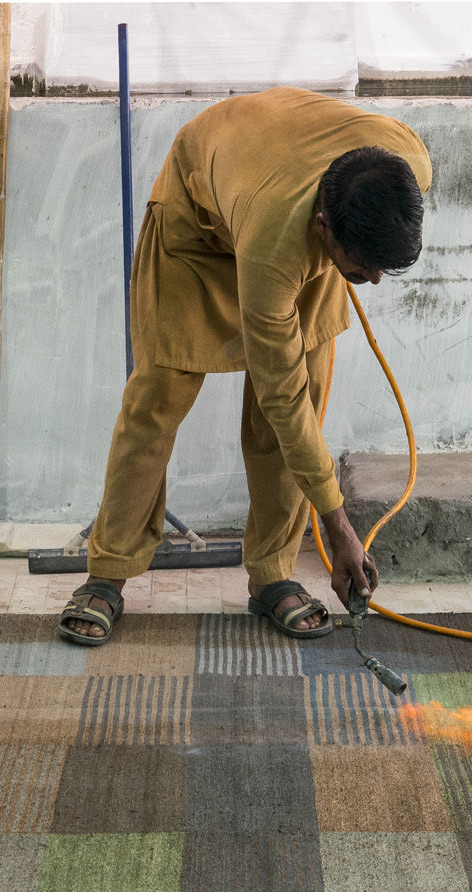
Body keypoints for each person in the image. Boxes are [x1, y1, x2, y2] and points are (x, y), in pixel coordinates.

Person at [57, 86, 432, 646]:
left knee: (299, 399)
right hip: (199, 228)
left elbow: (292, 403)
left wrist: (355, 261)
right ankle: (106, 572)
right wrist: (339, 526)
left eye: (384, 267)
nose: (374, 280)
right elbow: (283, 398)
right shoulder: (276, 243)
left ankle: (272, 573)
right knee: (157, 401)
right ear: (324, 227)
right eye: (364, 268)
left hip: (273, 184)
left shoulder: (410, 165)